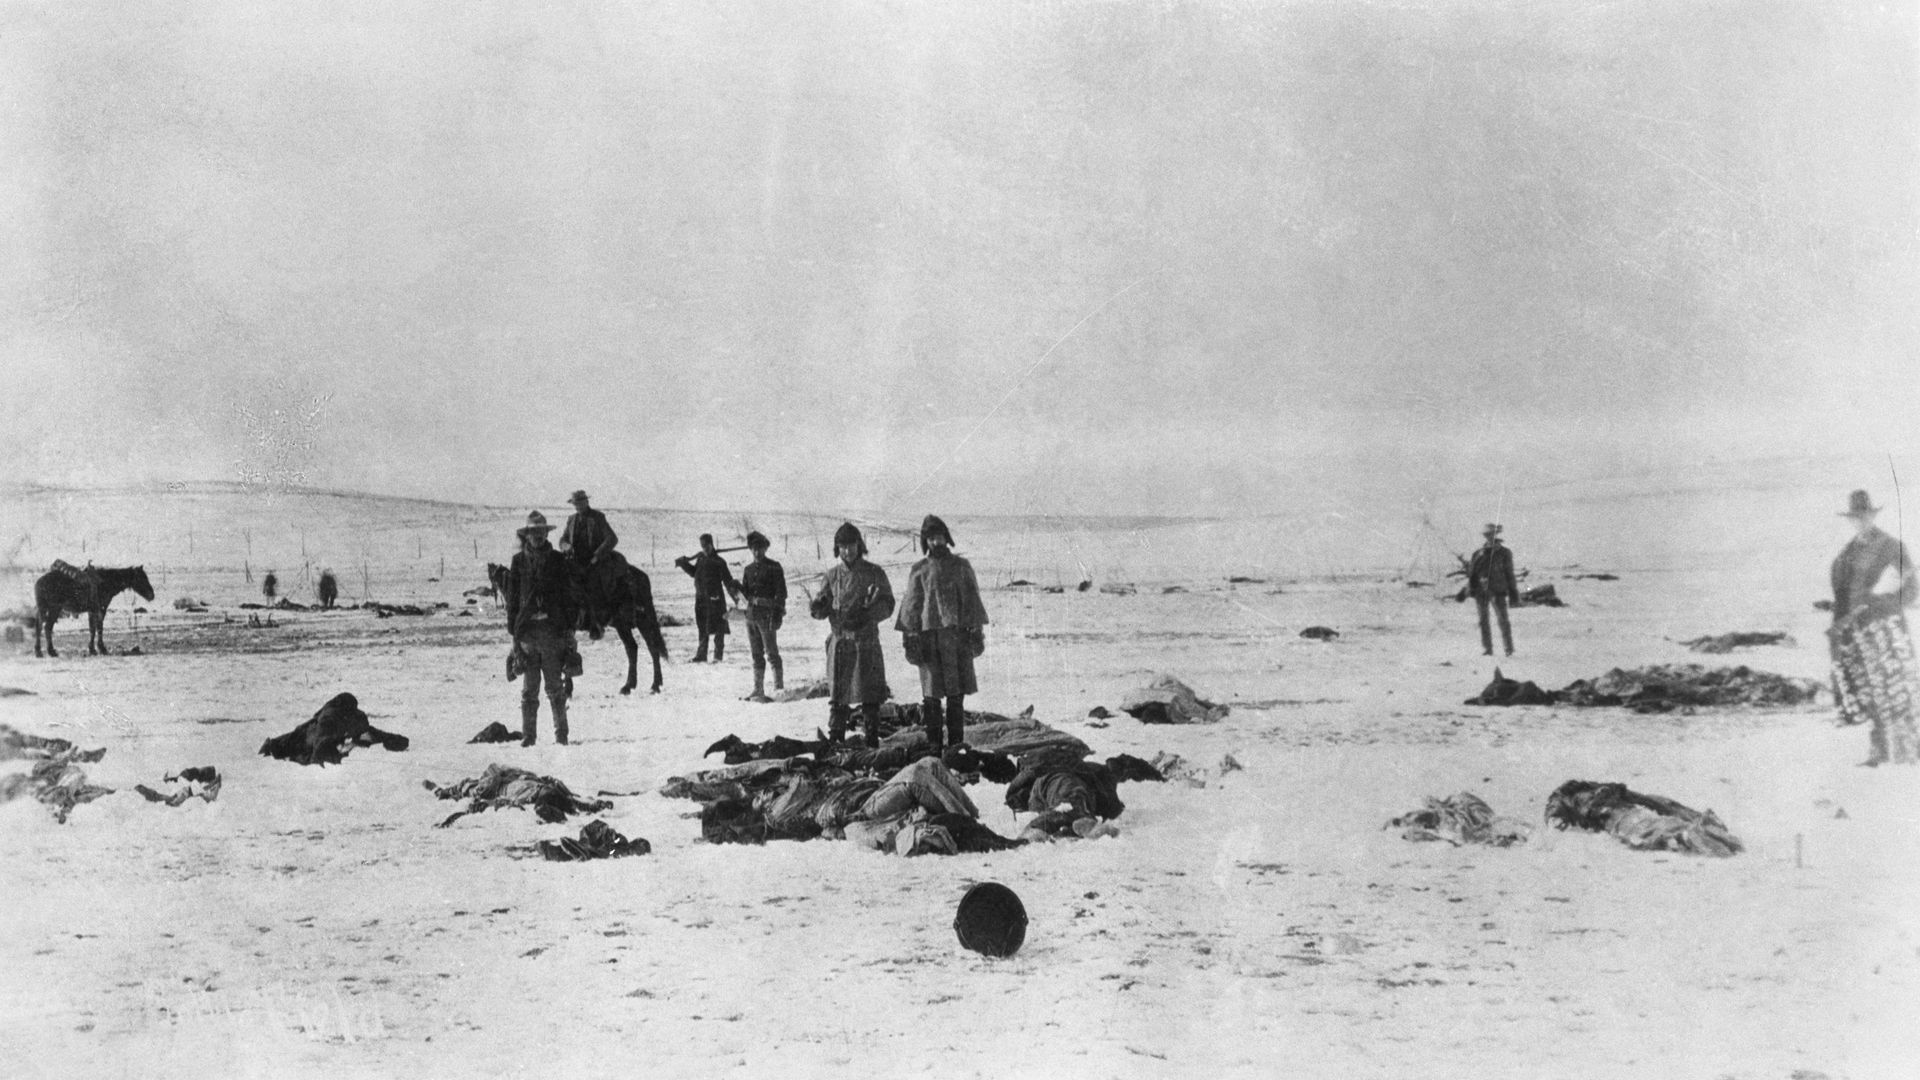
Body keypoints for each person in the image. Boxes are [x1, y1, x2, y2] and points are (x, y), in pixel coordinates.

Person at [1826, 489, 1919, 766]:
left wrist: (1882, 601)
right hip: (1857, 629)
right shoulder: (1848, 553)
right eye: (1855, 517)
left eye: (1864, 516)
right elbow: (1844, 594)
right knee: (1868, 688)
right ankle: (1878, 751)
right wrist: (1838, 622)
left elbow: (1912, 588)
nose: (1859, 522)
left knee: (1897, 687)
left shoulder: (1891, 546)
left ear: (1872, 516)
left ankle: (1909, 751)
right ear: (1850, 519)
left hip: (1885, 626)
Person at [895, 514, 989, 753]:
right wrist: (910, 638)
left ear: (947, 538)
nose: (936, 542)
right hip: (929, 641)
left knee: (956, 694)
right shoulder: (920, 570)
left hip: (957, 639)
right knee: (932, 695)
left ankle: (956, 744)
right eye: (931, 538)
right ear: (925, 541)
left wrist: (975, 631)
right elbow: (911, 606)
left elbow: (972, 601)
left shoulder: (962, 567)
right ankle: (934, 744)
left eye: (939, 537)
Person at [811, 522, 895, 747]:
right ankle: (836, 738)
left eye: (851, 545)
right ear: (837, 549)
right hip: (840, 642)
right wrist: (818, 607)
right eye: (842, 546)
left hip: (865, 641)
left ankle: (871, 737)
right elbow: (822, 604)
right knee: (838, 693)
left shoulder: (874, 573)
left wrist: (868, 615)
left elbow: (888, 604)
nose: (847, 551)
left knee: (870, 693)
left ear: (860, 545)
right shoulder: (831, 576)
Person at [504, 511, 578, 747]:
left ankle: (561, 735)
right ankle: (529, 736)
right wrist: (513, 632)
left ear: (546, 533)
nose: (537, 537)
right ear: (527, 536)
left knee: (555, 688)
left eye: (541, 532)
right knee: (529, 690)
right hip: (527, 633)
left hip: (551, 632)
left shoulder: (558, 560)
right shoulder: (518, 562)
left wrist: (568, 628)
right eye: (533, 533)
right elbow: (512, 600)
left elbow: (568, 596)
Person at [558, 490, 621, 637]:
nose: (578, 506)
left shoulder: (598, 518)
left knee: (592, 587)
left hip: (595, 562)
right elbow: (563, 539)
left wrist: (597, 556)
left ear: (587, 502)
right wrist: (566, 546)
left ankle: (596, 624)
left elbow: (612, 539)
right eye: (575, 503)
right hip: (575, 562)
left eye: (580, 502)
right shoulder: (571, 519)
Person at [676, 534, 742, 662]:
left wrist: (737, 597)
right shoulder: (700, 559)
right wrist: (683, 564)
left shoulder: (720, 562)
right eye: (702, 546)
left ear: (711, 544)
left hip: (715, 600)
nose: (704, 548)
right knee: (702, 628)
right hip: (700, 599)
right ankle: (701, 655)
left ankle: (718, 656)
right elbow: (694, 573)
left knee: (718, 629)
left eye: (706, 546)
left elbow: (728, 581)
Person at [739, 531, 787, 701]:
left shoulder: (774, 567)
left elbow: (781, 594)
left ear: (766, 548)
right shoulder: (748, 570)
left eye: (760, 548)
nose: (757, 552)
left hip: (767, 616)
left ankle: (778, 688)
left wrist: (778, 614)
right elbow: (744, 596)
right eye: (753, 549)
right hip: (751, 617)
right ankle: (758, 689)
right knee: (756, 654)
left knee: (771, 652)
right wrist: (736, 588)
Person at [1466, 523, 1519, 657]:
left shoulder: (1504, 553)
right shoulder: (1478, 553)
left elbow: (1509, 573)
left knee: (1503, 620)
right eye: (1487, 535)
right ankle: (1488, 649)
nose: (1489, 537)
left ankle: (1508, 649)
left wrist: (1513, 593)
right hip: (1480, 592)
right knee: (1483, 621)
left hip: (1498, 590)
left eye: (1491, 534)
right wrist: (1470, 589)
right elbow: (1472, 574)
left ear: (1496, 535)